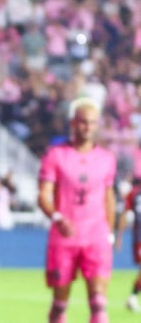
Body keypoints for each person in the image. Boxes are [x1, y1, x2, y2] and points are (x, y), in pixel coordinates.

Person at [38, 97, 117, 323]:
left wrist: (108, 233)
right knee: (60, 304)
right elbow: (43, 195)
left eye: (92, 123)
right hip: (65, 237)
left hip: (96, 236)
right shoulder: (56, 155)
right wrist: (56, 217)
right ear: (73, 123)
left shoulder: (106, 159)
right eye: (83, 122)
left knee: (99, 302)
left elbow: (108, 197)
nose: (87, 127)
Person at [116, 176, 141, 312]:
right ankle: (132, 297)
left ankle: (132, 297)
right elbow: (124, 214)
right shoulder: (134, 194)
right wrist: (119, 236)